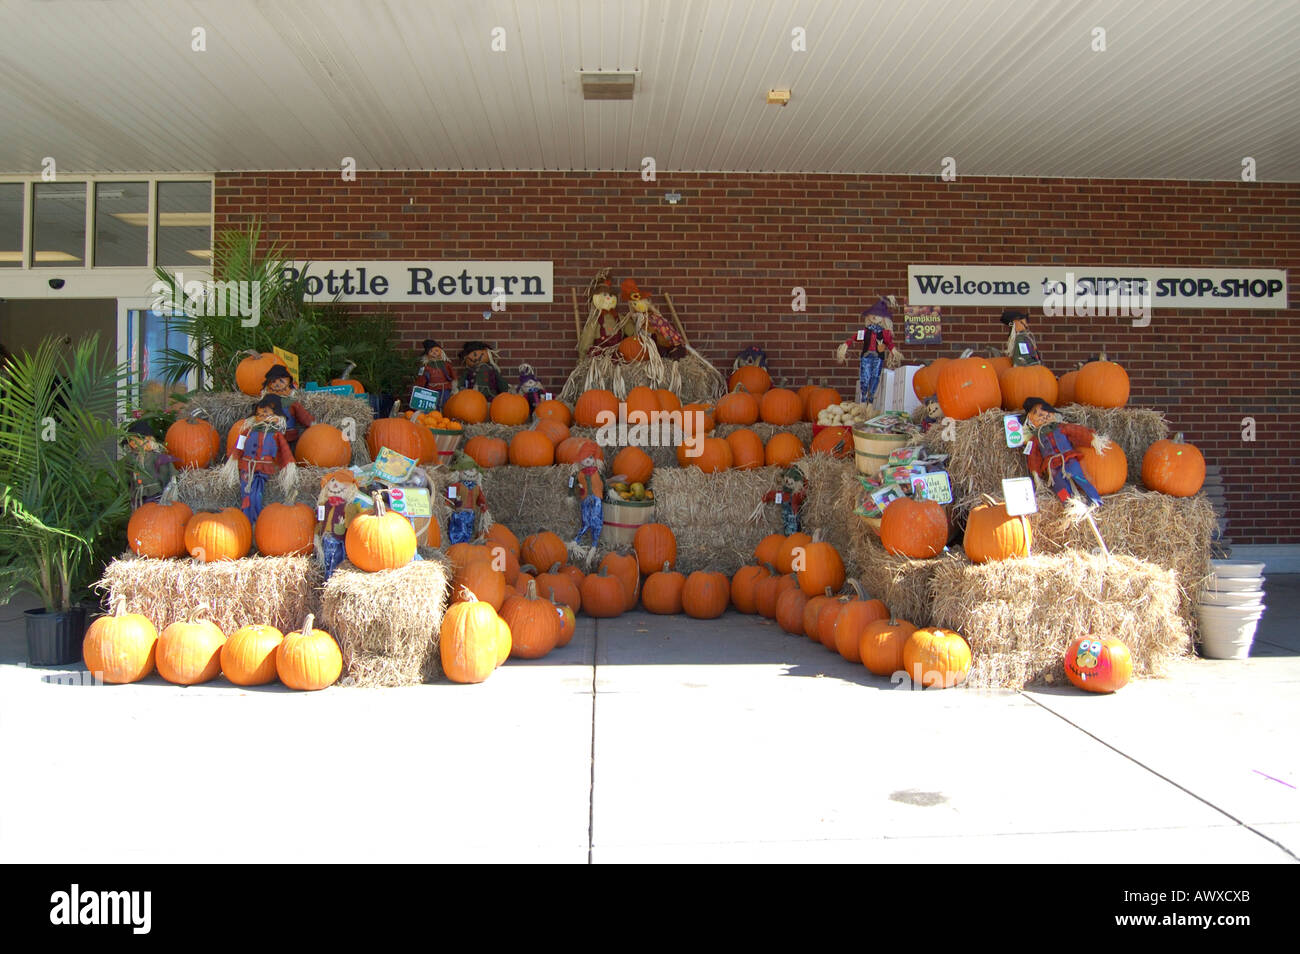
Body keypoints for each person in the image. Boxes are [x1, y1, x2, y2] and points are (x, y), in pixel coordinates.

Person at [1022, 397, 1110, 507]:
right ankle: (1069, 505)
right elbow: (1033, 456)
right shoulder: (1035, 439)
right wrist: (1036, 472)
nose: (1044, 417)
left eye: (1047, 414)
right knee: (1060, 486)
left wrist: (1092, 439)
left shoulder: (1062, 427)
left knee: (1080, 478)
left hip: (1068, 458)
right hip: (1052, 465)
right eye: (1039, 415)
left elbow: (1077, 432)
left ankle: (1094, 500)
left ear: (1053, 414)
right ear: (1030, 418)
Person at [224, 395, 297, 524]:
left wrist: (289, 466)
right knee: (246, 494)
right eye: (259, 415)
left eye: (266, 414)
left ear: (276, 416)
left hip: (263, 469)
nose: (263, 417)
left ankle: (253, 522)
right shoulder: (247, 432)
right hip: (247, 468)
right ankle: (246, 521)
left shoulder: (276, 434)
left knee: (256, 495)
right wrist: (233, 460)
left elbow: (285, 452)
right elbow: (238, 448)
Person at [836, 296, 902, 405]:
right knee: (864, 377)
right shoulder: (865, 332)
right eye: (873, 314)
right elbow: (853, 338)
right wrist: (845, 346)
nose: (875, 316)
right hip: (866, 357)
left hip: (878, 358)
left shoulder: (885, 333)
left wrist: (894, 351)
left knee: (875, 378)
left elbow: (889, 344)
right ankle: (863, 400)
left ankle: (870, 402)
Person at [313, 469, 363, 580]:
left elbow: (352, 527)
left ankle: (332, 579)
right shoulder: (323, 505)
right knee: (326, 560)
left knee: (336, 560)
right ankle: (326, 579)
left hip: (338, 539)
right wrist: (316, 535)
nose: (335, 485)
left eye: (341, 483)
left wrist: (343, 527)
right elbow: (319, 522)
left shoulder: (349, 507)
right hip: (326, 537)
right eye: (333, 481)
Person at [261, 365, 314, 445]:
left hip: (288, 438)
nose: (277, 384)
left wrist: (313, 425)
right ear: (268, 384)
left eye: (281, 381)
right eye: (273, 381)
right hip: (271, 438)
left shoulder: (292, 403)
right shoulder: (265, 402)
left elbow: (305, 417)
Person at [570, 454, 605, 548]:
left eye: (590, 457)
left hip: (596, 498)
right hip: (585, 499)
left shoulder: (598, 473)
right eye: (584, 457)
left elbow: (604, 483)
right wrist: (571, 494)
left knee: (596, 519)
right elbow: (571, 482)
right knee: (586, 520)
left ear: (595, 460)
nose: (588, 460)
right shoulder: (578, 474)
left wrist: (609, 493)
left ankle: (595, 542)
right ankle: (577, 539)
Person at [413, 338, 457, 407]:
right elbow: (421, 379)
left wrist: (454, 387)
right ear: (427, 354)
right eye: (431, 351)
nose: (434, 352)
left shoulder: (446, 364)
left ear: (441, 352)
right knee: (433, 405)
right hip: (431, 390)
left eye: (436, 350)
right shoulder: (425, 367)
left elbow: (453, 376)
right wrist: (419, 389)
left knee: (446, 404)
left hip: (445, 388)